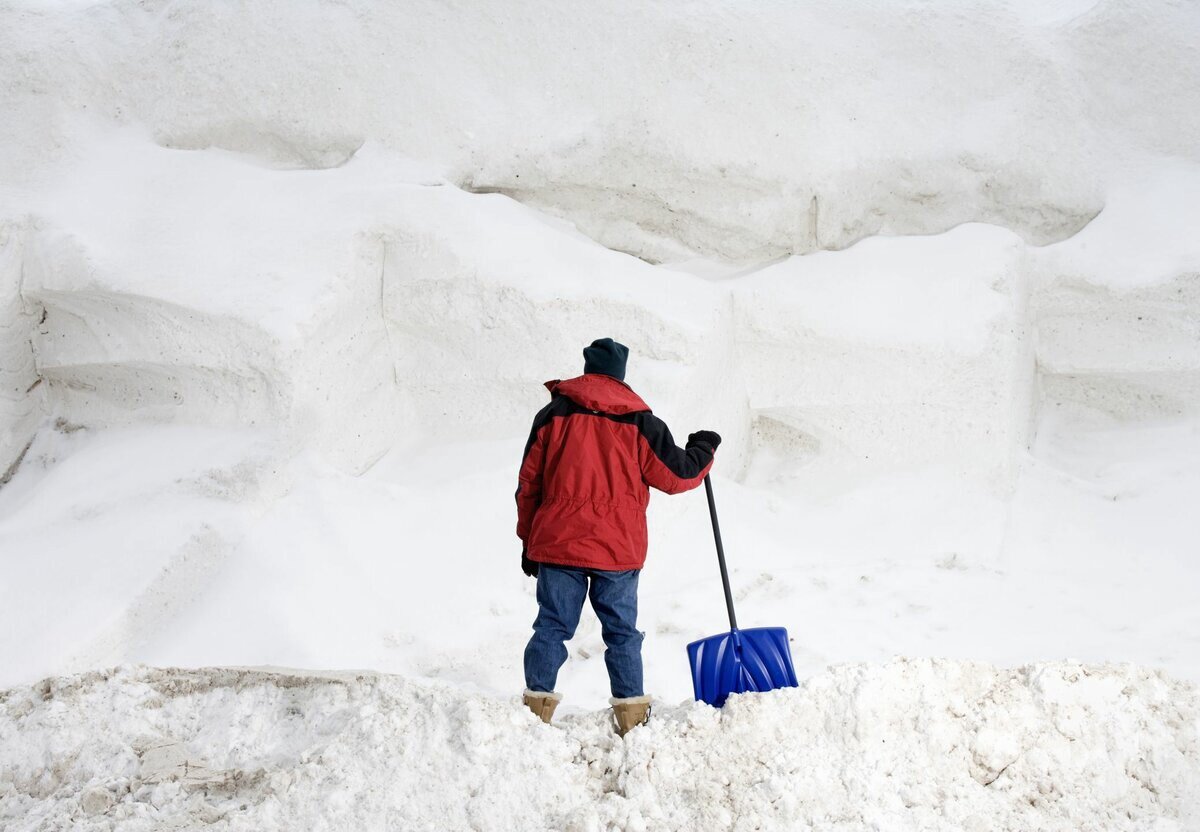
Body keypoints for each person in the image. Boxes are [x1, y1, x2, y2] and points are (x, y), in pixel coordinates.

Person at [515, 337, 721, 735]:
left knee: (551, 628)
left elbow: (528, 484)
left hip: (558, 544)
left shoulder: (553, 414)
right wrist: (703, 449)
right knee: (623, 633)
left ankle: (533, 717)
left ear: (588, 368)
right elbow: (678, 476)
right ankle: (631, 721)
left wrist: (528, 541)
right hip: (618, 549)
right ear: (620, 374)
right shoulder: (640, 422)